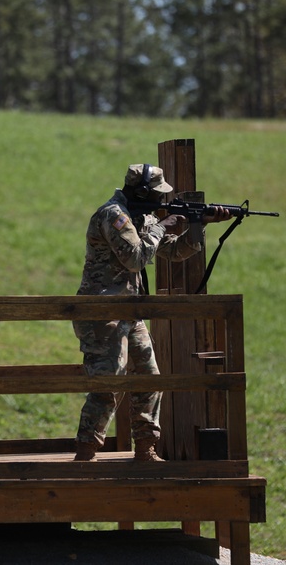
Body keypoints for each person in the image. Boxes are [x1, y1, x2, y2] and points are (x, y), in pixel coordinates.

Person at [72, 163, 232, 463]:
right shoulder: (113, 216)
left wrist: (200, 224)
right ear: (142, 191)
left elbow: (173, 251)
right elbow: (135, 259)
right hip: (102, 313)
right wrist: (162, 225)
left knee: (149, 378)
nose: (162, 201)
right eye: (158, 195)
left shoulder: (140, 217)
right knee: (109, 382)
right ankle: (86, 453)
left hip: (129, 312)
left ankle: (146, 448)